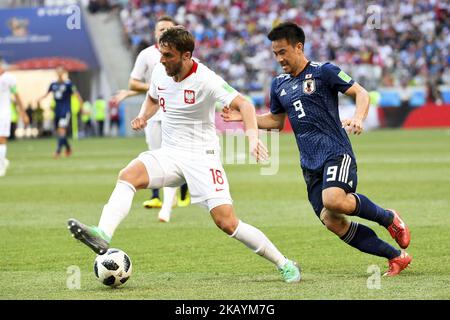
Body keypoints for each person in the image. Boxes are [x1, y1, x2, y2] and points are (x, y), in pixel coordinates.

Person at [67, 26, 301, 283]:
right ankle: (102, 233)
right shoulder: (159, 71)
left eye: (168, 55)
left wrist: (252, 137)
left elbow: (243, 104)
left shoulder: (205, 79)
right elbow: (154, 97)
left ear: (186, 55)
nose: (162, 60)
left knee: (227, 222)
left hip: (202, 157)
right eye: (161, 53)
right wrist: (144, 116)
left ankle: (285, 263)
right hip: (170, 153)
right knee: (128, 175)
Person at [222, 22, 412, 277]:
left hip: (336, 152)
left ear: (298, 47)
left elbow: (361, 93)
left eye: (283, 52)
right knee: (333, 221)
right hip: (309, 165)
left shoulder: (324, 72)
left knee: (333, 199)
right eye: (275, 53)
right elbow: (277, 123)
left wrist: (358, 117)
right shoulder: (278, 84)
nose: (279, 59)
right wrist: (244, 119)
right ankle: (396, 257)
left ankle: (388, 218)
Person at [111, 15, 189, 222]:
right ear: (154, 33)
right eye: (160, 29)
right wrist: (154, 87)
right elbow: (134, 83)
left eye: (167, 28)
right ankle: (167, 196)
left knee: (172, 156)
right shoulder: (147, 55)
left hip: (175, 113)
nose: (163, 32)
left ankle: (167, 207)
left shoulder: (183, 56)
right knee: (157, 155)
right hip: (154, 114)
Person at [38, 66, 83, 158]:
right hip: (57, 111)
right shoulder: (53, 84)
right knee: (60, 132)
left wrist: (82, 107)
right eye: (57, 71)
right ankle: (68, 147)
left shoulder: (68, 84)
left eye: (61, 71)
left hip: (65, 111)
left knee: (62, 131)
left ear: (64, 73)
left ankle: (58, 151)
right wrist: (40, 99)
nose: (59, 73)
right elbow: (47, 94)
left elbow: (77, 96)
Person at [0, 59, 29, 177]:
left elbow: (16, 95)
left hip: (4, 113)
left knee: (1, 139)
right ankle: (3, 160)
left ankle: (1, 167)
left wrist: (23, 113)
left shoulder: (8, 79)